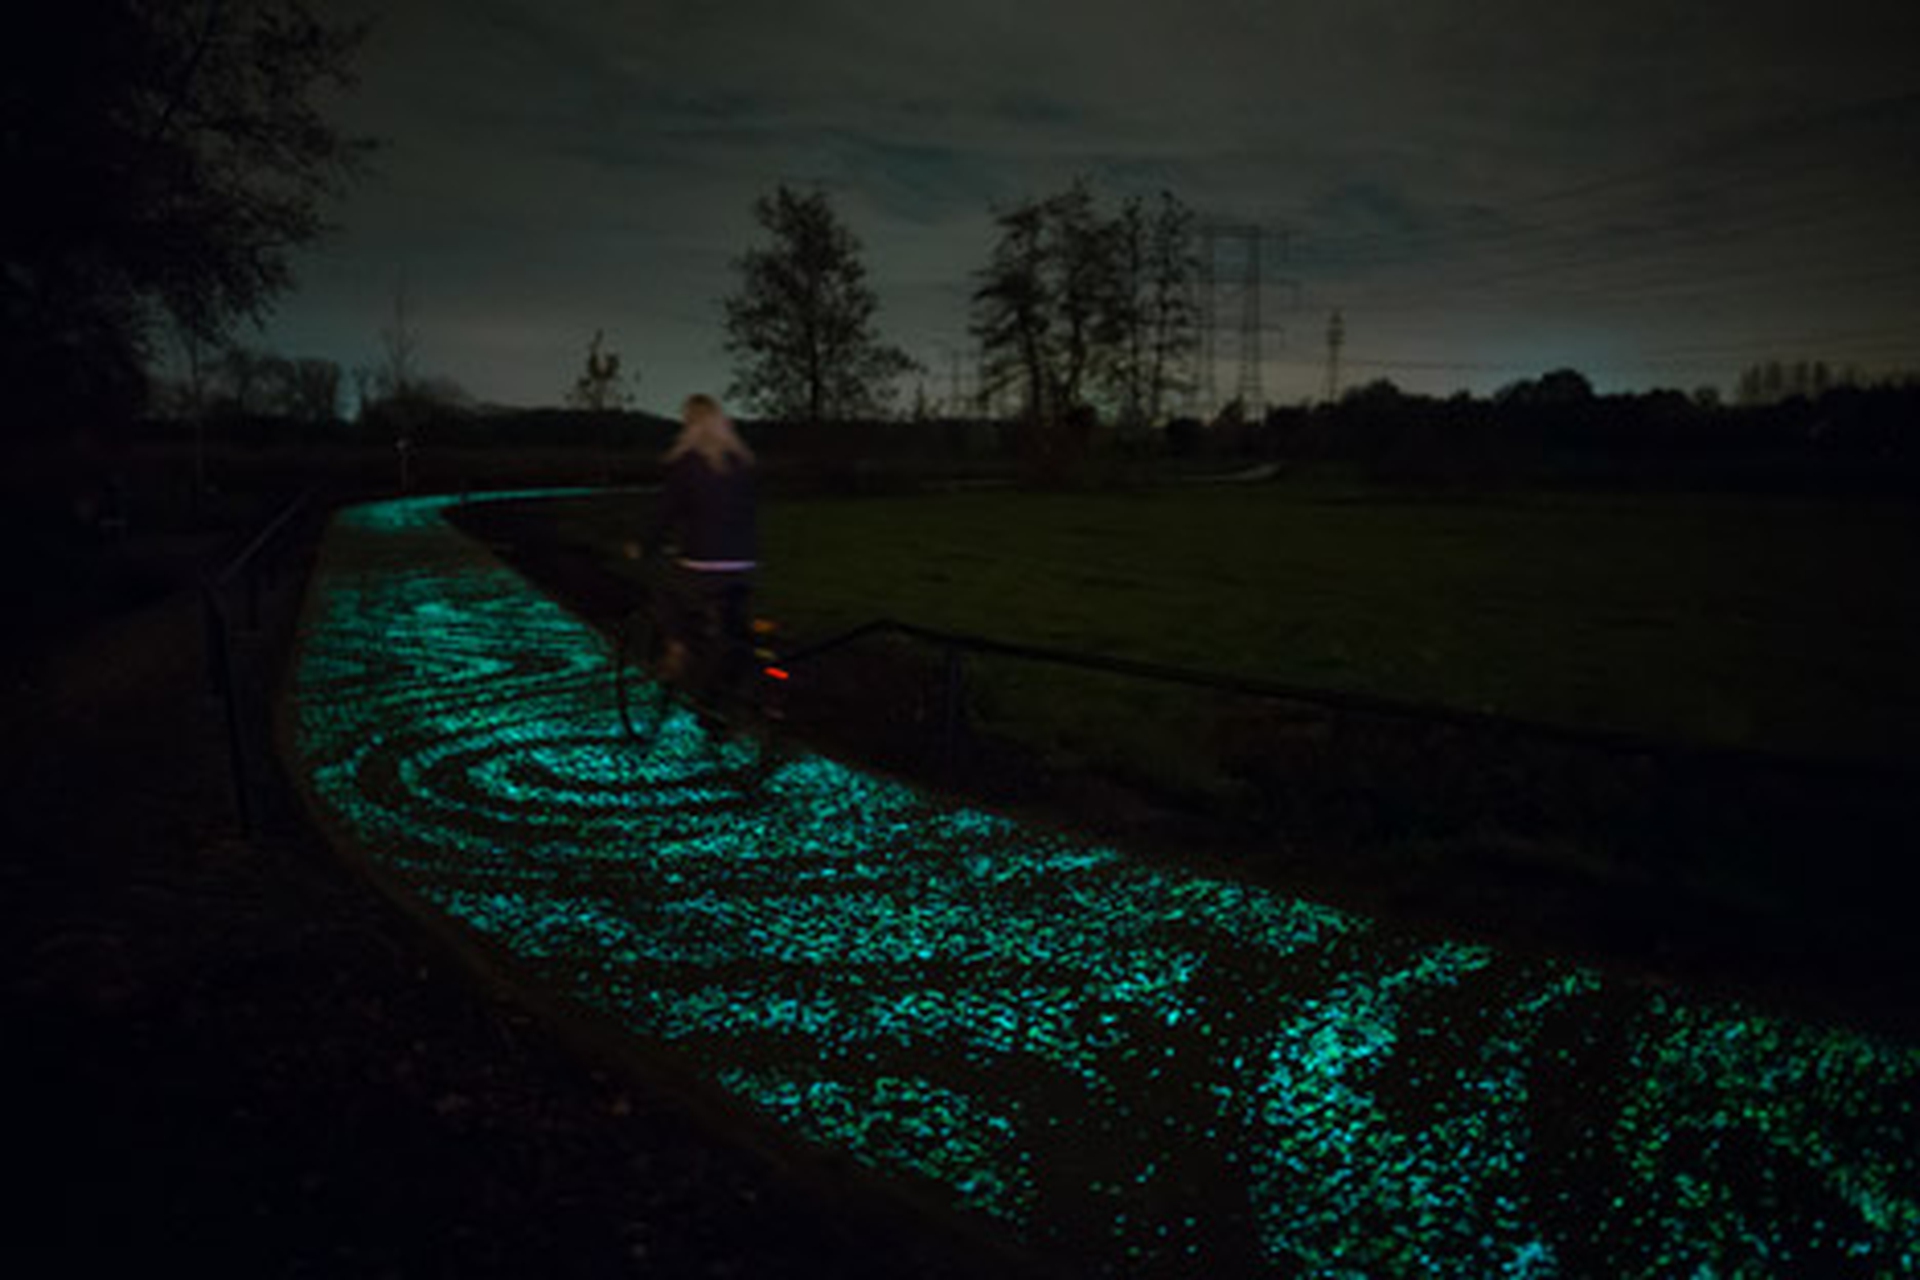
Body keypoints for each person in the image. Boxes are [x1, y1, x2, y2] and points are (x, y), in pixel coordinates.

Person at [645, 394, 758, 688]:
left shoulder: (687, 463)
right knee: (731, 619)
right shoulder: (742, 462)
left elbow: (666, 513)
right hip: (744, 561)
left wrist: (646, 545)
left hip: (704, 561)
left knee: (666, 593)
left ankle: (677, 651)